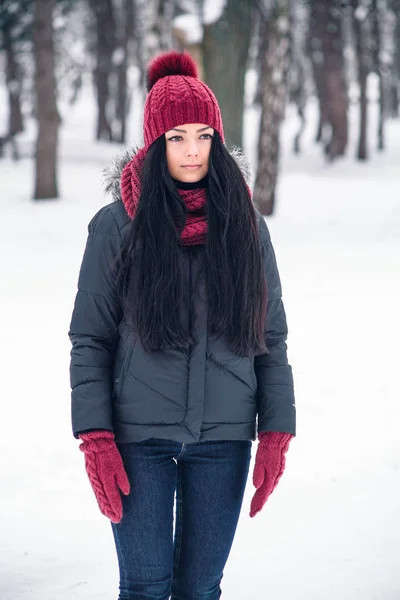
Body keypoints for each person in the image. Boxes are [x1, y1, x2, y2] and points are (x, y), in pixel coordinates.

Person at [69, 51, 296, 600]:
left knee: (201, 589)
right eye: (175, 138)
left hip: (224, 439)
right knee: (145, 587)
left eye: (202, 136)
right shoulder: (116, 226)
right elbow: (91, 339)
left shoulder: (246, 225)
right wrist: (95, 436)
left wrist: (276, 431)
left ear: (218, 140)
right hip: (138, 440)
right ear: (154, 145)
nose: (192, 150)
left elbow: (271, 337)